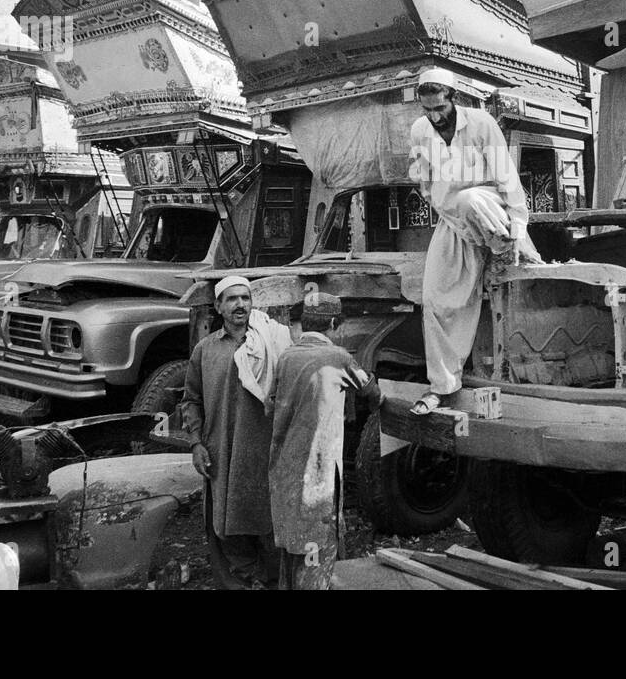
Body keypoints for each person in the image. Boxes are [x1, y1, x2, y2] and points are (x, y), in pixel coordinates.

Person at [408, 67, 542, 415]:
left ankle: (501, 251)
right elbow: (424, 181)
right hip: (454, 221)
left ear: (454, 99)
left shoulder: (482, 123)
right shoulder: (420, 132)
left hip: (490, 209)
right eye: (428, 110)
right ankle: (443, 385)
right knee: (435, 298)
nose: (435, 116)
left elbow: (507, 179)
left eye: (440, 107)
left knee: (471, 200)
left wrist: (518, 230)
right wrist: (443, 203)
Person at [181, 275, 293, 588]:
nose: (240, 304)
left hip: (262, 453)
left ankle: (273, 581)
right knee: (224, 527)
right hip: (220, 452)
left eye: (245, 298)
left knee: (267, 525)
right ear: (218, 306)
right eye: (231, 299)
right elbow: (190, 400)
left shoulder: (271, 345)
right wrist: (195, 444)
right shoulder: (205, 350)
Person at [269, 289, 381, 590]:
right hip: (317, 470)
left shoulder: (286, 357)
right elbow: (372, 392)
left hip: (285, 468)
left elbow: (270, 404)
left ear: (304, 324)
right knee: (316, 545)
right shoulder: (338, 356)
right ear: (334, 324)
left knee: (293, 544)